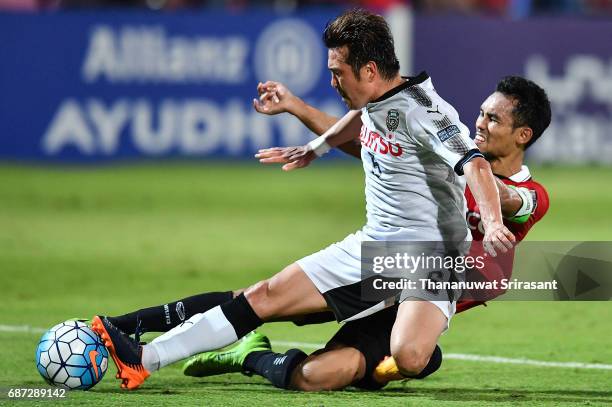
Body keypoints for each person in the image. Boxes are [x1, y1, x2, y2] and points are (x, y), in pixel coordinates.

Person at [90, 8, 515, 390]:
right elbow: (361, 121)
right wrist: (315, 143)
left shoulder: (427, 110)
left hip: (429, 257)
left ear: (369, 70)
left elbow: (475, 164)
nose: (333, 82)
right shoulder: (378, 100)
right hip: (375, 244)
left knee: (409, 356)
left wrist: (493, 223)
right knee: (264, 295)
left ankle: (406, 349)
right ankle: (143, 358)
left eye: (338, 73)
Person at [181, 75, 551, 391]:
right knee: (259, 298)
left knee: (318, 376)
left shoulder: (526, 193)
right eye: (481, 114)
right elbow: (366, 143)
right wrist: (297, 107)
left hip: (414, 303)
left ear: (523, 134)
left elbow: (509, 198)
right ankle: (142, 328)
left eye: (493, 119)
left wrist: (479, 182)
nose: (480, 123)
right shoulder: (455, 154)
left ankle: (250, 354)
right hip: (385, 268)